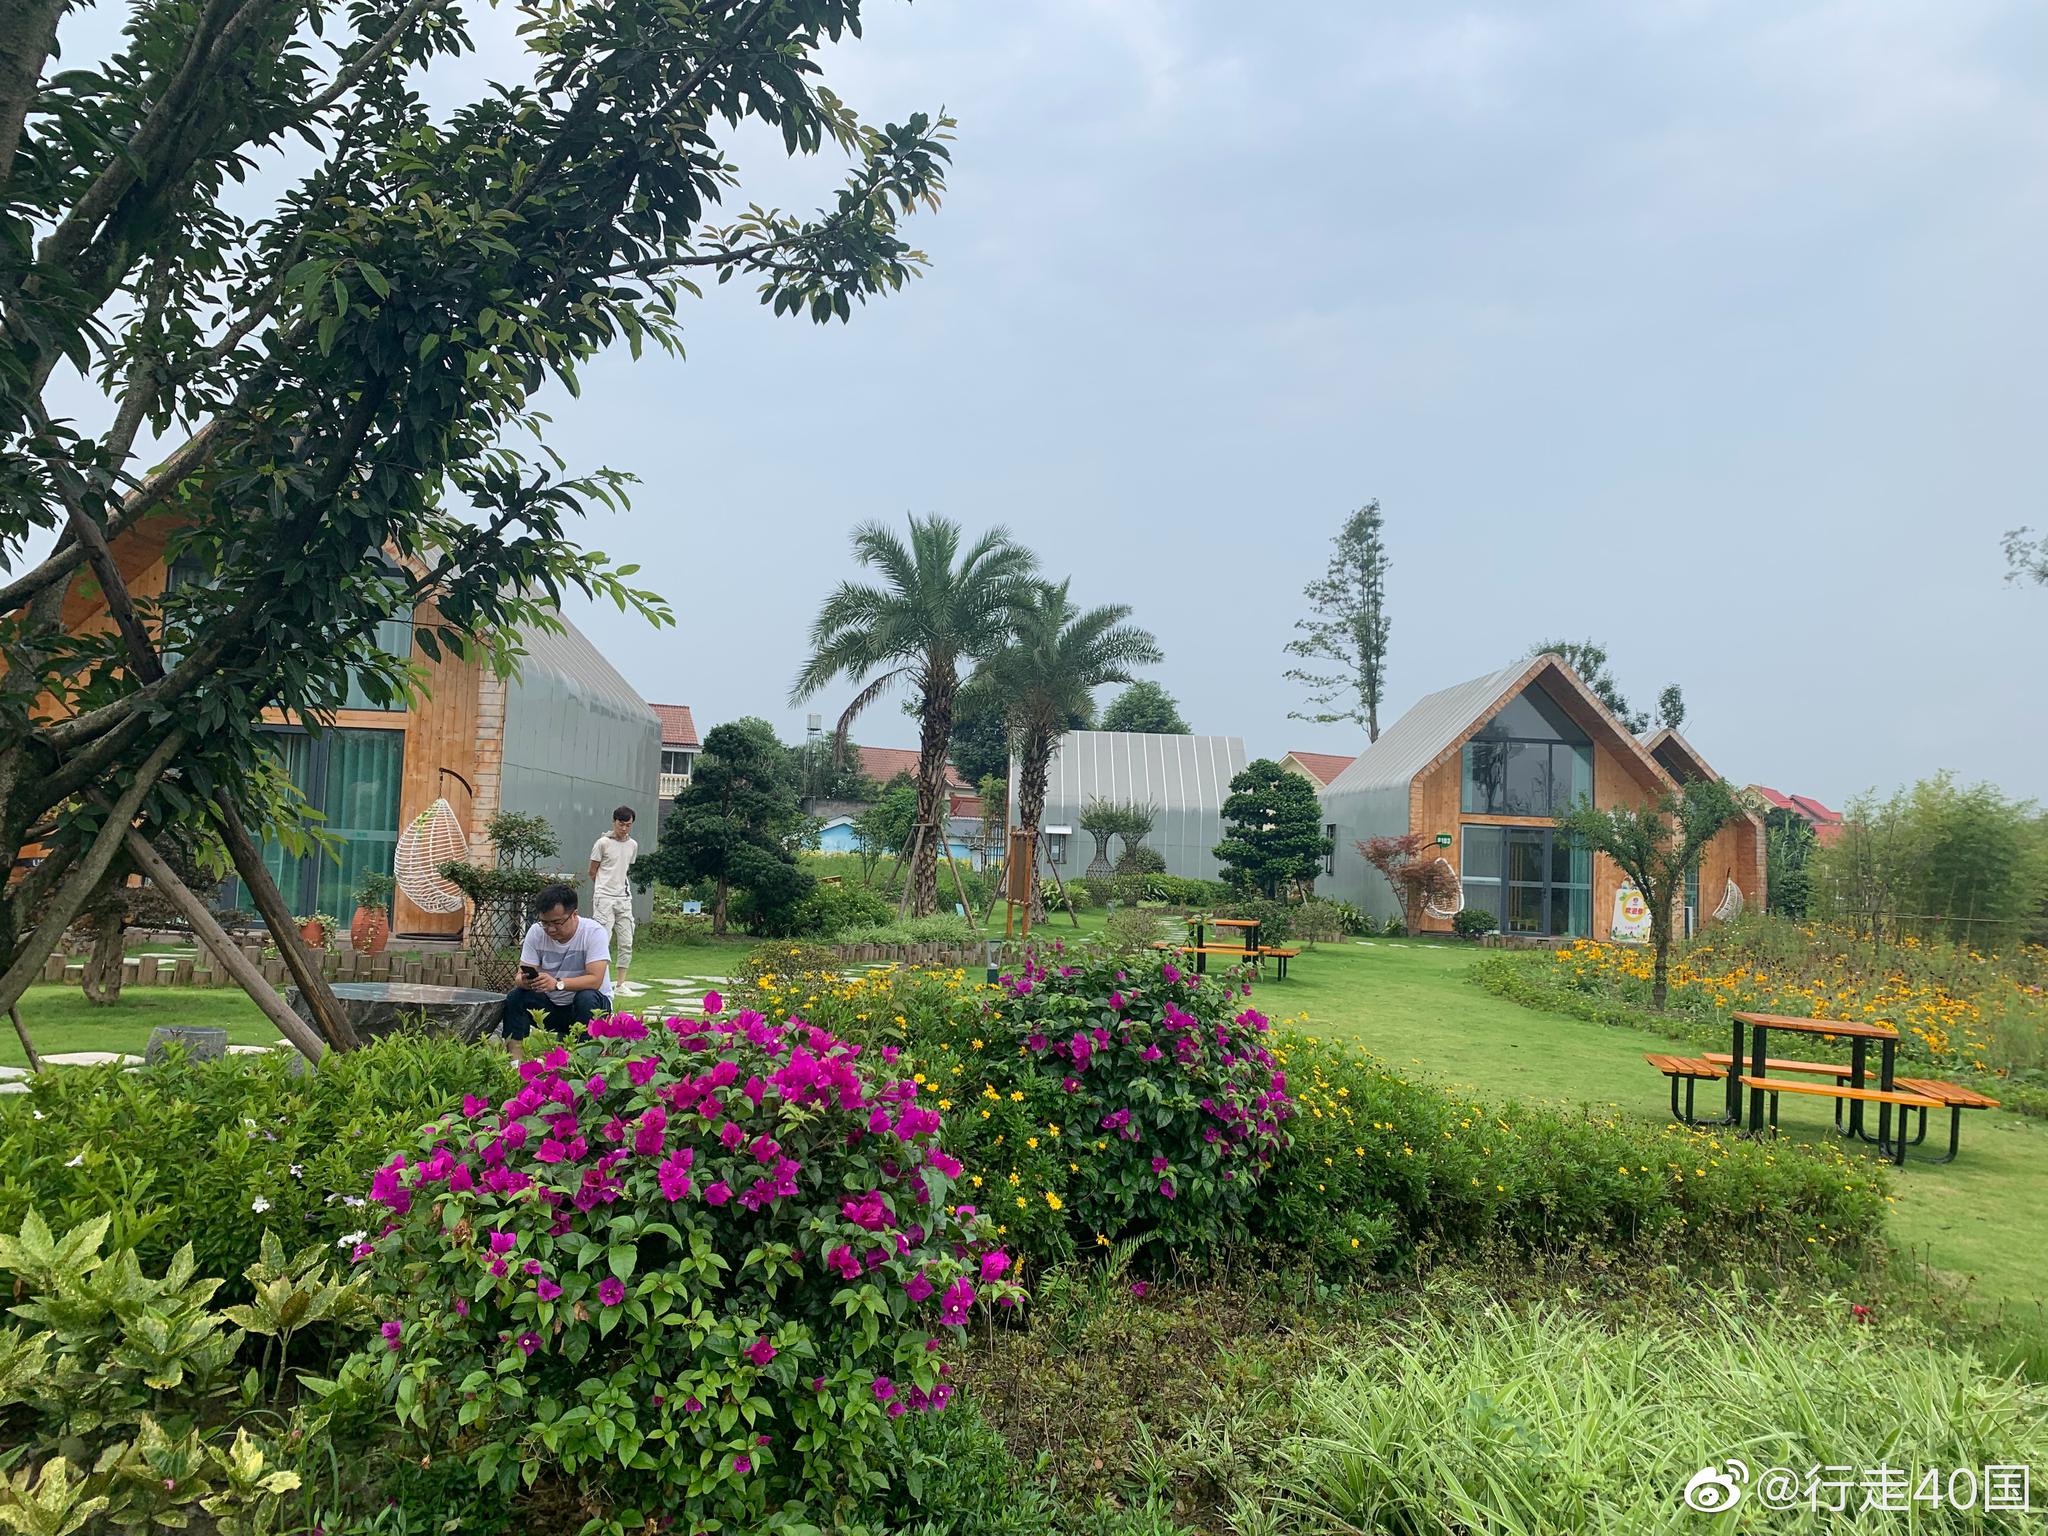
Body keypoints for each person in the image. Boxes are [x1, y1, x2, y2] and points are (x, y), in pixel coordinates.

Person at [502, 883, 612, 1040]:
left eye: (557, 923)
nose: (550, 929)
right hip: (552, 1007)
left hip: (591, 1008)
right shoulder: (536, 932)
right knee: (516, 996)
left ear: (574, 914)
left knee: (587, 997)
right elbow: (519, 978)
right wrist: (527, 981)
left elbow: (595, 980)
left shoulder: (593, 932)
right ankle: (514, 1061)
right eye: (545, 923)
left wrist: (557, 984)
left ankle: (584, 1059)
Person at [589, 805, 640, 996]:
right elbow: (592, 871)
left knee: (627, 940)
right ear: (614, 822)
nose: (624, 828)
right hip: (604, 898)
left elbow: (626, 867)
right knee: (602, 940)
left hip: (624, 898)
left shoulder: (632, 845)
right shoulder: (602, 843)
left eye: (628, 825)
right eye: (621, 824)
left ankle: (621, 984)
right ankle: (601, 981)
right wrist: (603, 888)